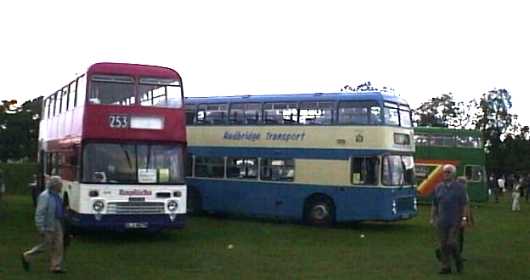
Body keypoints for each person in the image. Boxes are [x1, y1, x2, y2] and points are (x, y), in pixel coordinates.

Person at [21, 176, 66, 273]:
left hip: (57, 221)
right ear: (55, 185)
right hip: (48, 224)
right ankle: (27, 256)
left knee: (59, 244)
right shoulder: (45, 196)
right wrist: (41, 228)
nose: (61, 186)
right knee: (46, 245)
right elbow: (39, 213)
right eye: (60, 184)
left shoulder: (57, 195)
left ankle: (55, 266)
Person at [430, 164, 469, 274]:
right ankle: (446, 266)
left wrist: (464, 219)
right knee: (443, 245)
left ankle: (458, 260)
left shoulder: (460, 188)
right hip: (442, 220)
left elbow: (464, 205)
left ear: (453, 174)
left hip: (455, 220)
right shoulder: (438, 187)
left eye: (448, 172)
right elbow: (434, 204)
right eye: (444, 172)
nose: (445, 174)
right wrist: (432, 217)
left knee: (451, 243)